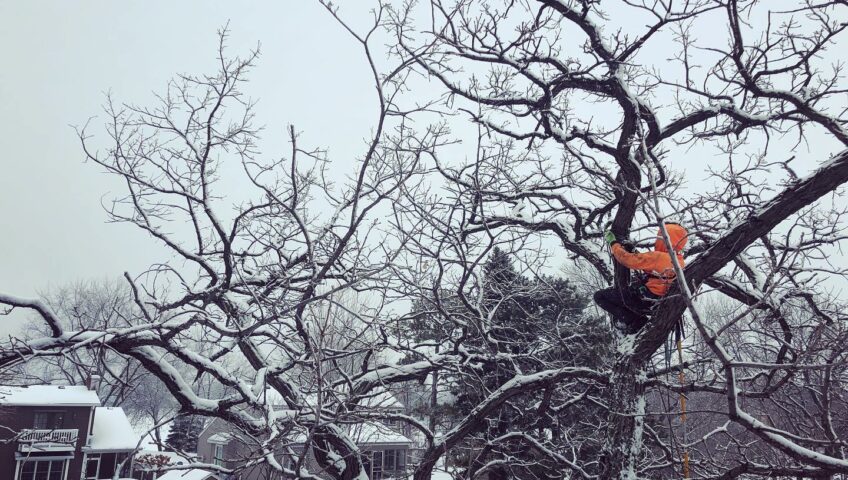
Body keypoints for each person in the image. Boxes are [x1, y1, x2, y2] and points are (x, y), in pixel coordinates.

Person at [594, 223, 688, 333]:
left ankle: (636, 321)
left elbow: (626, 259)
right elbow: (650, 267)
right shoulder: (679, 261)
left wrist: (613, 243)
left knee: (600, 296)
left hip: (646, 298)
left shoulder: (659, 256)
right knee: (631, 286)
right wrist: (634, 252)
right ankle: (634, 319)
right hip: (658, 301)